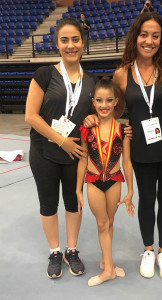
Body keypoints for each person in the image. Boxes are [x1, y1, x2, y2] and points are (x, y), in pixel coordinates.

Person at [112, 12, 162, 281]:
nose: (149, 40)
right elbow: (117, 110)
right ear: (135, 37)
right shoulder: (122, 74)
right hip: (141, 150)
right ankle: (148, 250)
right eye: (144, 34)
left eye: (155, 36)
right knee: (147, 200)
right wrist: (107, 120)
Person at [25, 18, 99, 279]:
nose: (71, 45)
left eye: (75, 39)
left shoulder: (91, 81)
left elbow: (92, 114)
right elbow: (31, 116)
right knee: (48, 203)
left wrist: (92, 118)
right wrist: (61, 139)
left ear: (83, 42)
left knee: (73, 202)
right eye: (65, 40)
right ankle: (55, 251)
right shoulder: (44, 74)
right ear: (57, 44)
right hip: (45, 151)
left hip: (74, 154)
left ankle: (71, 250)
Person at [76, 77, 135, 287]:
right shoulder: (87, 128)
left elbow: (127, 162)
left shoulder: (122, 130)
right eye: (99, 100)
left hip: (115, 181)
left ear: (116, 101)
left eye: (109, 100)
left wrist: (130, 191)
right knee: (102, 223)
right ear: (93, 101)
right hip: (93, 181)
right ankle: (109, 270)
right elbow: (83, 158)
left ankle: (105, 260)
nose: (104, 105)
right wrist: (78, 189)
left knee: (110, 223)